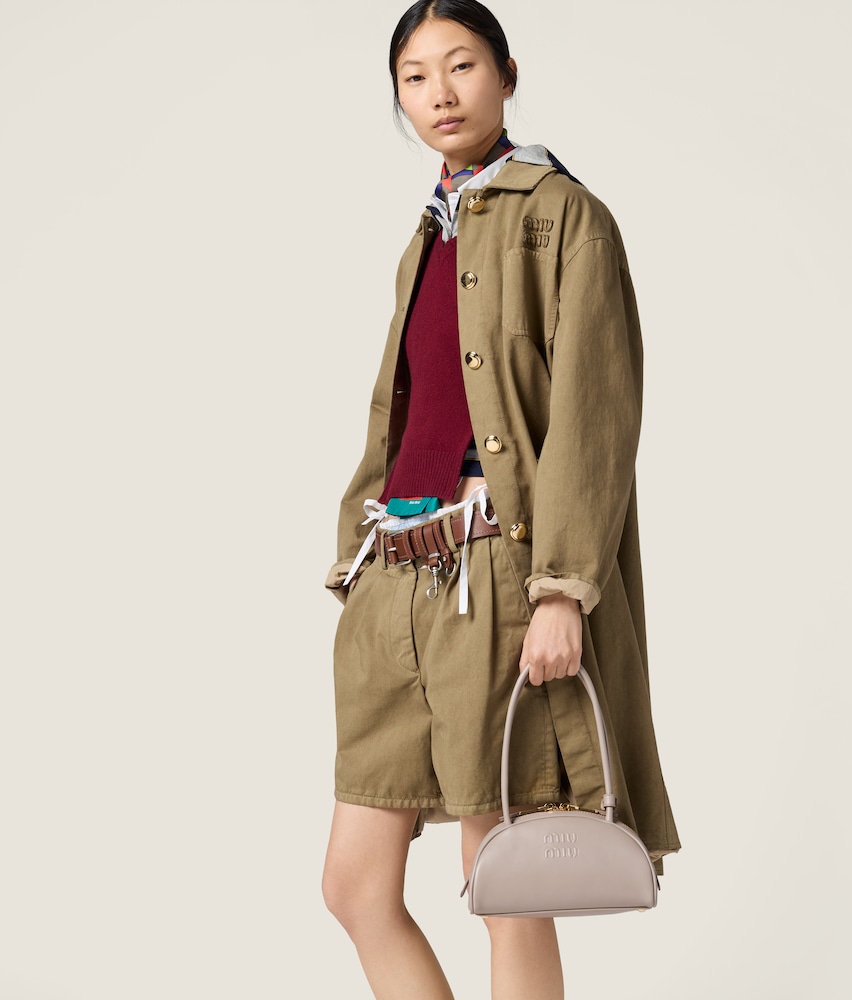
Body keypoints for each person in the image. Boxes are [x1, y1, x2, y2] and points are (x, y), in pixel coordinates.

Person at [321, 2, 680, 997]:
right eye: (415, 76)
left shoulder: (563, 216)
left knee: (504, 879)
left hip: (491, 574)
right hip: (395, 573)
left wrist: (561, 588)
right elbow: (402, 410)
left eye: (462, 65)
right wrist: (355, 558)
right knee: (353, 885)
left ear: (507, 73)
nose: (439, 92)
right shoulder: (428, 236)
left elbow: (594, 417)